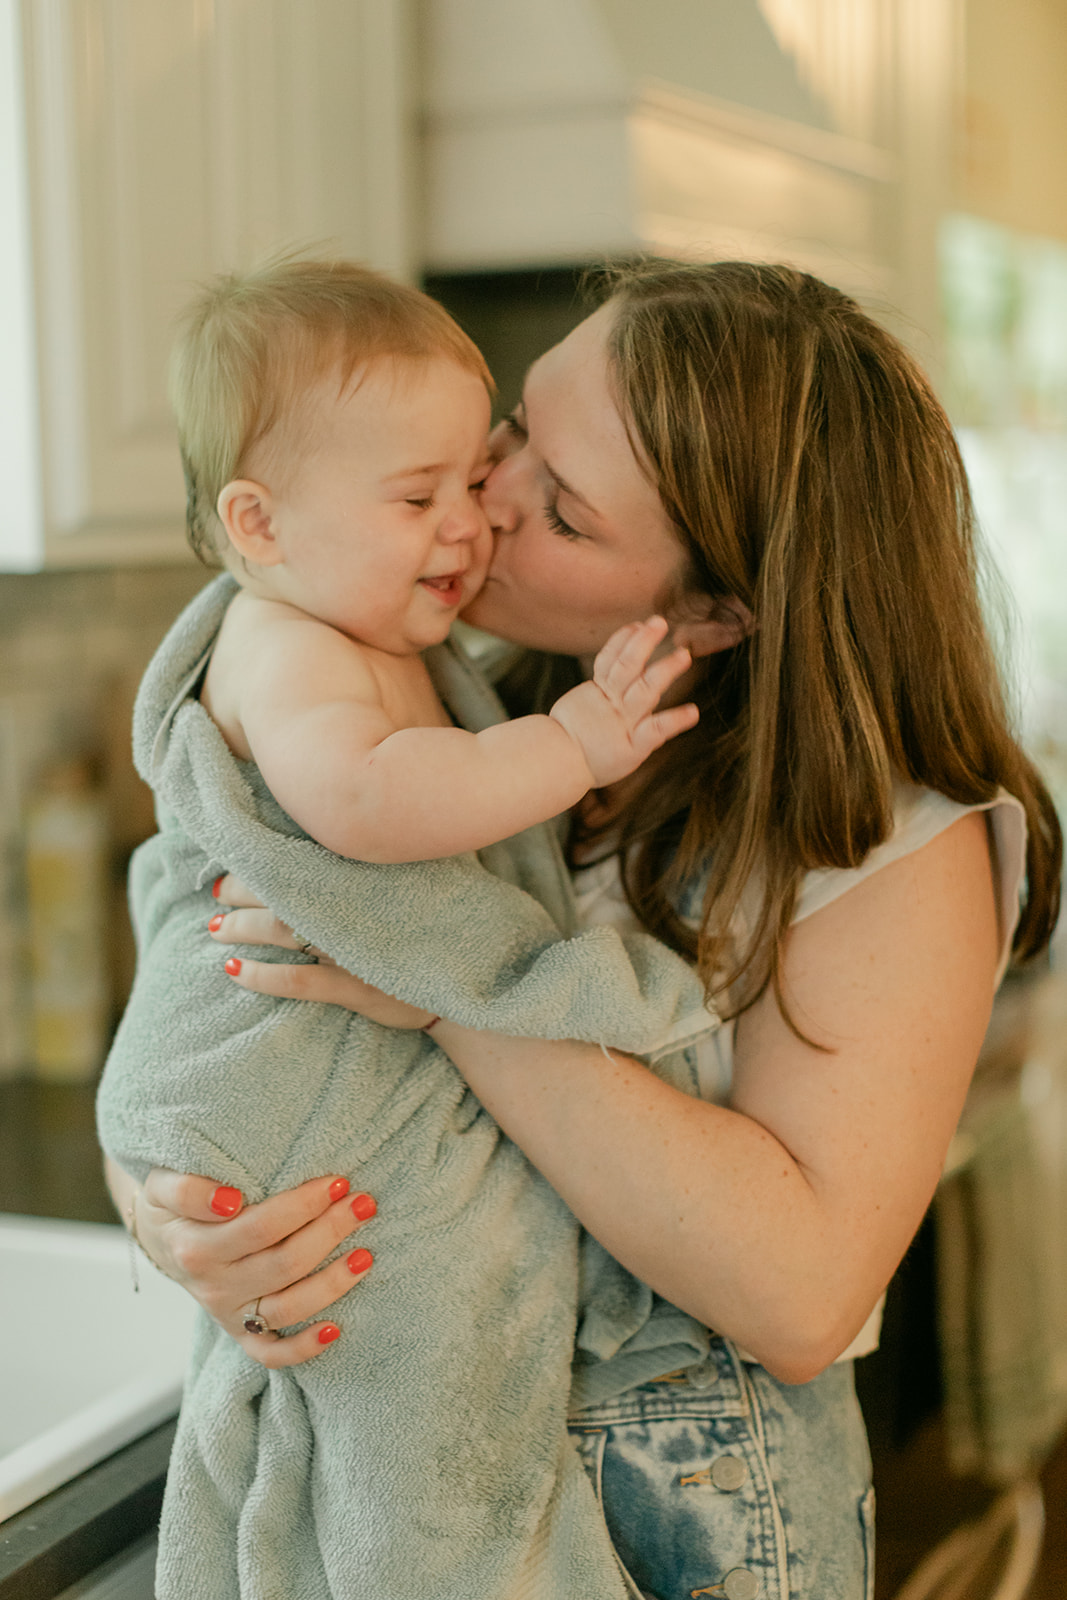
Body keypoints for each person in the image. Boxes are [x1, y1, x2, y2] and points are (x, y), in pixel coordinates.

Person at [106, 259, 1062, 1600]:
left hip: (689, 1517)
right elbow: (211, 992)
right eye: (512, 430)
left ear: (712, 615)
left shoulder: (895, 842)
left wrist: (445, 987)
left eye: (557, 506)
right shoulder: (426, 714)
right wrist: (185, 1225)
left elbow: (801, 1297)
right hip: (403, 1460)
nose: (476, 499)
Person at [98, 258, 718, 1600]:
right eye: (426, 492)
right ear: (261, 526)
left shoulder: (380, 629)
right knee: (418, 1456)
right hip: (301, 1111)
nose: (471, 523)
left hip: (368, 1162)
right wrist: (571, 743)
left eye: (509, 490)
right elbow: (361, 807)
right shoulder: (287, 643)